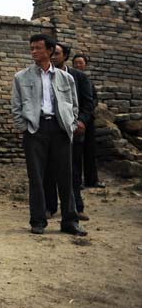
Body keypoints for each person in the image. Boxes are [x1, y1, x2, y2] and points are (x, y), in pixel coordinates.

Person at [11, 34, 86, 237]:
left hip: (60, 129)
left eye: (38, 48)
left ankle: (70, 221)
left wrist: (70, 124)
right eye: (32, 48)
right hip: (35, 130)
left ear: (50, 51)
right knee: (36, 177)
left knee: (66, 177)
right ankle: (38, 221)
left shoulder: (66, 78)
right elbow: (16, 106)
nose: (34, 51)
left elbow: (74, 105)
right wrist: (24, 127)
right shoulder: (21, 77)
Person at [46, 43, 94, 221]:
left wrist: (81, 121)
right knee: (49, 170)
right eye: (51, 53)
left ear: (65, 55)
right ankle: (49, 207)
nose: (53, 56)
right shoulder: (44, 76)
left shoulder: (78, 77)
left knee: (73, 170)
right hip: (51, 130)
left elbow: (88, 102)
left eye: (57, 53)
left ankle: (77, 207)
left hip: (72, 130)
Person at [72, 54, 102, 188]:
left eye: (81, 63)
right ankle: (77, 182)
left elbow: (94, 99)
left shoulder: (88, 81)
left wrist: (88, 111)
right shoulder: (71, 79)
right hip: (75, 119)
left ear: (85, 65)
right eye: (76, 63)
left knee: (90, 150)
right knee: (76, 152)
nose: (78, 65)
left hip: (88, 119)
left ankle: (92, 180)